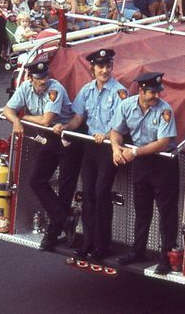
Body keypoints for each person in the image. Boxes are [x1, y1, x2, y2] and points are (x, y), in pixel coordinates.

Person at [53, 49, 127, 261]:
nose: (104, 70)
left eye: (107, 66)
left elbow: (120, 125)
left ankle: (103, 246)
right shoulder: (87, 91)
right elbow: (78, 119)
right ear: (92, 69)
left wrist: (104, 135)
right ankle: (88, 243)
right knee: (87, 196)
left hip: (107, 146)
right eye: (100, 67)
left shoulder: (119, 92)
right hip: (90, 147)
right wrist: (64, 127)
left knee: (101, 194)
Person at [3, 61, 79, 251]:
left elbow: (46, 120)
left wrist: (24, 117)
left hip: (69, 136)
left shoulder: (56, 89)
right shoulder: (25, 88)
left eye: (45, 76)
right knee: (36, 180)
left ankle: (52, 234)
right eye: (39, 79)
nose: (43, 81)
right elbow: (7, 109)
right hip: (51, 138)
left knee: (65, 186)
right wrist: (15, 120)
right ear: (30, 78)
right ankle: (65, 220)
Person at [112, 72, 179, 275]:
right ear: (140, 91)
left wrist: (133, 152)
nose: (156, 96)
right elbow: (115, 130)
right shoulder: (127, 106)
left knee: (166, 214)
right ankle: (138, 250)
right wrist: (115, 148)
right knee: (141, 210)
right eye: (151, 92)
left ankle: (166, 257)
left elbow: (163, 143)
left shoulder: (164, 110)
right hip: (141, 162)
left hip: (163, 163)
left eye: (158, 92)